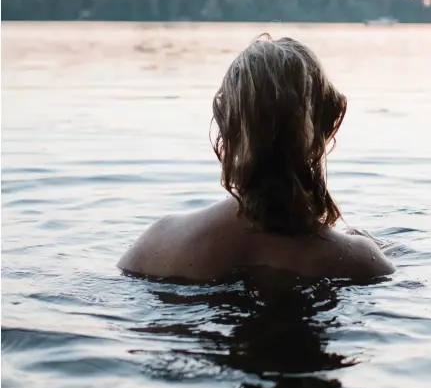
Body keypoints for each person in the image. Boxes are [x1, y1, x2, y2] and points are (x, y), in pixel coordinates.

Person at [118, 34, 394, 282]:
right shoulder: (360, 262)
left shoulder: (157, 243)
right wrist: (368, 247)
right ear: (323, 129)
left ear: (227, 129)